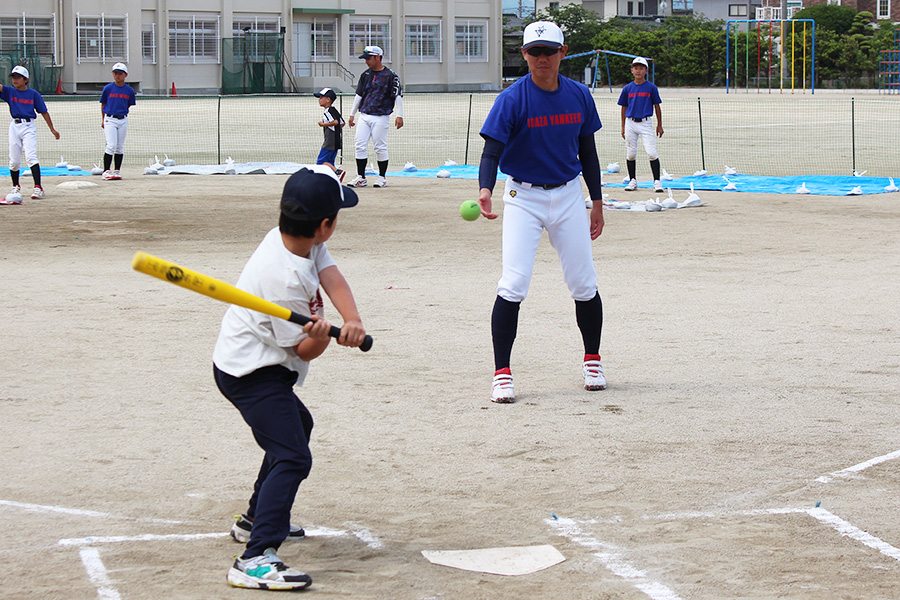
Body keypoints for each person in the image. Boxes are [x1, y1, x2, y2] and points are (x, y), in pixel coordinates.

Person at [213, 165, 367, 590]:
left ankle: (252, 519)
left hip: (261, 364)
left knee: (298, 427)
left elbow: (330, 274)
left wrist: (350, 319)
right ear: (324, 225)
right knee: (294, 455)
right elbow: (302, 349)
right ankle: (254, 556)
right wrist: (325, 336)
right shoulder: (282, 277)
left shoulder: (297, 241)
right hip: (250, 373)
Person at [476, 21, 607, 404]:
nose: (542, 58)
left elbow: (588, 152)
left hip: (568, 195)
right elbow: (491, 152)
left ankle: (593, 359)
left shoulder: (579, 95)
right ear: (525, 55)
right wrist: (485, 188)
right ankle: (502, 373)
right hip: (523, 196)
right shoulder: (513, 98)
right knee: (513, 284)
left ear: (563, 52)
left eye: (549, 51)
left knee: (584, 283)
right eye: (535, 51)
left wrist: (596, 201)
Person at [1, 65, 60, 205]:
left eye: (18, 77)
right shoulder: (10, 92)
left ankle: (38, 187)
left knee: (31, 156)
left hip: (28, 126)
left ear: (26, 79)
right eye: (13, 77)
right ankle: (16, 186)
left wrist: (52, 129)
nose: (15, 80)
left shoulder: (33, 94)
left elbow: (44, 112)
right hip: (14, 126)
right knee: (14, 160)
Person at [346, 45, 403, 189]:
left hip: (381, 116)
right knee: (359, 145)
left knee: (380, 146)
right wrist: (352, 114)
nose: (366, 61)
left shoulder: (391, 76)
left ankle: (382, 177)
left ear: (378, 57)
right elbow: (359, 95)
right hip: (364, 115)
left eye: (369, 58)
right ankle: (361, 177)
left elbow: (397, 96)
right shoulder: (365, 75)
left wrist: (399, 115)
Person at [618, 56, 664, 193]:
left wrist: (659, 125)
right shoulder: (627, 88)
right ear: (632, 70)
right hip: (630, 122)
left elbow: (657, 106)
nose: (638, 71)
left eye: (641, 68)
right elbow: (623, 107)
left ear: (646, 71)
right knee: (631, 153)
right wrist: (623, 127)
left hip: (645, 122)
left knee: (651, 152)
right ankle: (632, 180)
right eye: (635, 68)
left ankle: (657, 181)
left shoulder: (651, 88)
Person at [99, 62, 136, 181]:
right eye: (115, 73)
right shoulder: (108, 88)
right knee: (111, 145)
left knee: (120, 146)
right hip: (110, 118)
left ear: (125, 75)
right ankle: (106, 171)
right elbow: (103, 104)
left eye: (120, 73)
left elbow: (128, 104)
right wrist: (103, 119)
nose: (117, 76)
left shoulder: (129, 90)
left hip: (123, 119)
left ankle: (117, 170)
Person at [313, 87, 344, 180]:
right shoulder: (334, 110)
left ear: (328, 99)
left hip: (330, 141)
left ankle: (337, 172)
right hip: (336, 140)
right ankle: (332, 178)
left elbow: (335, 122)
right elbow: (342, 123)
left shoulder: (328, 111)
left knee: (321, 162)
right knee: (330, 161)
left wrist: (323, 124)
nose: (319, 100)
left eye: (321, 97)